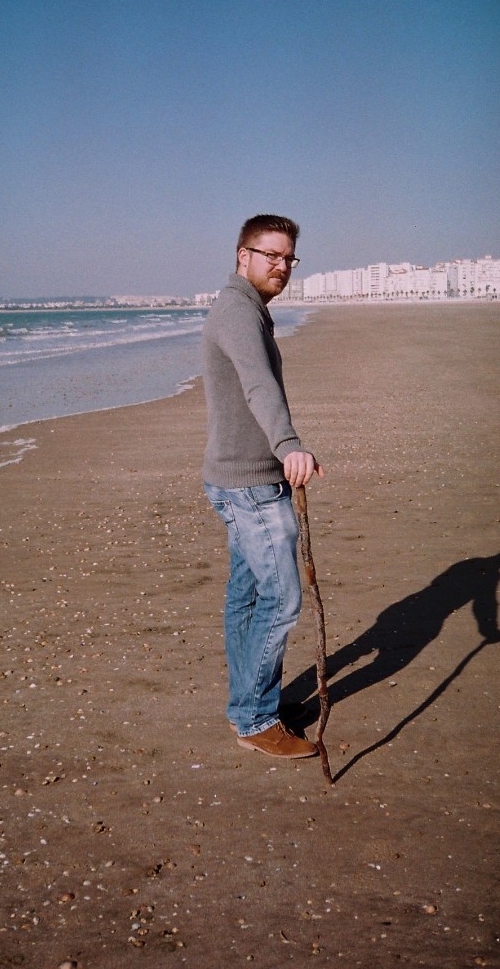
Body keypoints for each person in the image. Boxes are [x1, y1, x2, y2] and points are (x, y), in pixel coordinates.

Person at [202, 214, 324, 759]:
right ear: (242, 255)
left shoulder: (248, 308)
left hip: (241, 475)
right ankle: (254, 719)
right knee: (281, 598)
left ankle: (252, 703)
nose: (281, 266)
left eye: (288, 258)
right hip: (249, 483)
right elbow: (257, 384)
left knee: (248, 595)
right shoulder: (237, 311)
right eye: (270, 255)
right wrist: (289, 444)